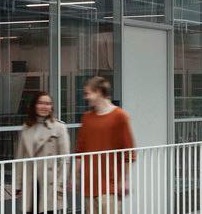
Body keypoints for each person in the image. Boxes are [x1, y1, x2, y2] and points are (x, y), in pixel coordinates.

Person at [76, 76, 135, 213]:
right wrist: (75, 177)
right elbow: (80, 150)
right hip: (89, 185)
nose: (86, 97)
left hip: (110, 185)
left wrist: (124, 180)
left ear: (98, 92)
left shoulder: (120, 116)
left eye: (88, 93)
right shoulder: (86, 118)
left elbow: (128, 152)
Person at [13, 92, 70, 212]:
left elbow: (65, 160)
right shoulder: (26, 127)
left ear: (51, 107)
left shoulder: (59, 127)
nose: (44, 106)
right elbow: (20, 158)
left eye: (48, 104)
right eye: (40, 103)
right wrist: (18, 184)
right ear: (34, 105)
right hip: (30, 180)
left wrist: (60, 185)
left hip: (50, 182)